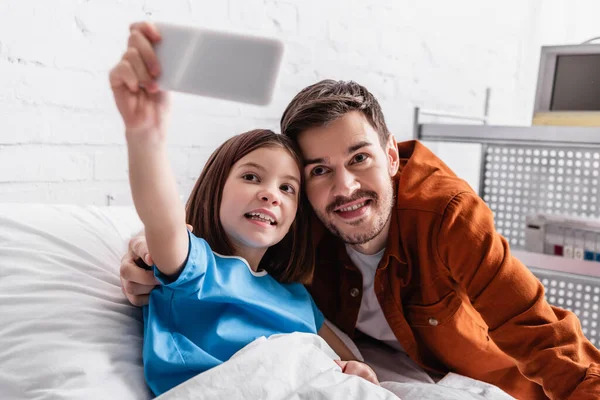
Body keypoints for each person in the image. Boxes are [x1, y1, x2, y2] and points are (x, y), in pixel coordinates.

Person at [120, 26, 600, 400]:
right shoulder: (296, 216)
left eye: (359, 158)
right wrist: (149, 245)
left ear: (391, 156)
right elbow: (195, 225)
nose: (344, 186)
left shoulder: (447, 216)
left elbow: (540, 333)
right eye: (319, 170)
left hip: (472, 376)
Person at [109, 22, 378, 397]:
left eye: (288, 188)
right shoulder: (197, 269)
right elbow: (162, 219)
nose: (271, 195)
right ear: (215, 188)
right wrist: (145, 136)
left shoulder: (294, 296)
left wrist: (355, 368)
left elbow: (349, 358)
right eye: (252, 177)